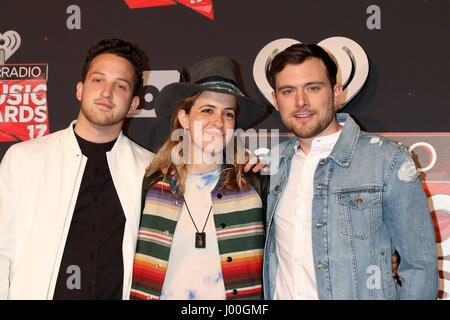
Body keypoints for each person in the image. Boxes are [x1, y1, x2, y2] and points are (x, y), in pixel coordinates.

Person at [263, 43, 438, 299]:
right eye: (288, 91)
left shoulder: (386, 161)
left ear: (336, 93)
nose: (300, 102)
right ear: (275, 100)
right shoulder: (271, 165)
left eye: (313, 88)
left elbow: (420, 266)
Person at [0, 39, 155, 299]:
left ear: (133, 104)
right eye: (98, 80)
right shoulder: (24, 159)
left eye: (120, 86)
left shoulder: (151, 170)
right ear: (80, 90)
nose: (107, 92)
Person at [129, 57, 267, 300]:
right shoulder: (151, 185)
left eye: (228, 114)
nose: (218, 122)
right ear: (184, 119)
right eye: (207, 110)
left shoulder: (254, 184)